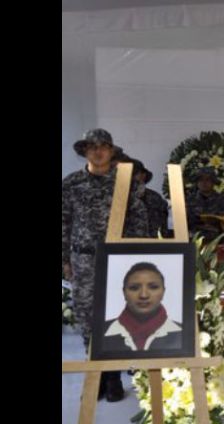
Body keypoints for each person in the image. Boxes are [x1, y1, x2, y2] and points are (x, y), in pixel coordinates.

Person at [62, 128, 148, 402]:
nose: (98, 151)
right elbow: (63, 223)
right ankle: (95, 375)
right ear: (85, 151)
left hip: (117, 260)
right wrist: (64, 259)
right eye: (92, 147)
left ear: (111, 151)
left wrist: (136, 258)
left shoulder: (124, 183)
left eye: (104, 147)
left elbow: (138, 220)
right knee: (88, 318)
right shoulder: (71, 183)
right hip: (83, 260)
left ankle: (112, 377)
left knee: (115, 317)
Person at [103, 262, 182, 351]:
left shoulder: (185, 334)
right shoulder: (99, 333)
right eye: (134, 288)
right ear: (124, 292)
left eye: (153, 287)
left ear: (163, 292)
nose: (143, 295)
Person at [186, 166, 224, 243]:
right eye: (201, 180)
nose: (204, 183)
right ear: (197, 182)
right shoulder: (189, 200)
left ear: (213, 182)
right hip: (194, 239)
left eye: (207, 180)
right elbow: (185, 222)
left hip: (217, 239)